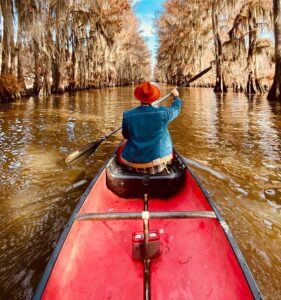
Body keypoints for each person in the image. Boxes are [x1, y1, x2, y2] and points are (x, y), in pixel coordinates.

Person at [119, 82, 183, 175]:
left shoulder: (127, 115)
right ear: (153, 98)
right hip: (158, 166)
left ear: (139, 98)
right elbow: (176, 110)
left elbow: (126, 135)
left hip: (133, 165)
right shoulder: (163, 113)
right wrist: (176, 97)